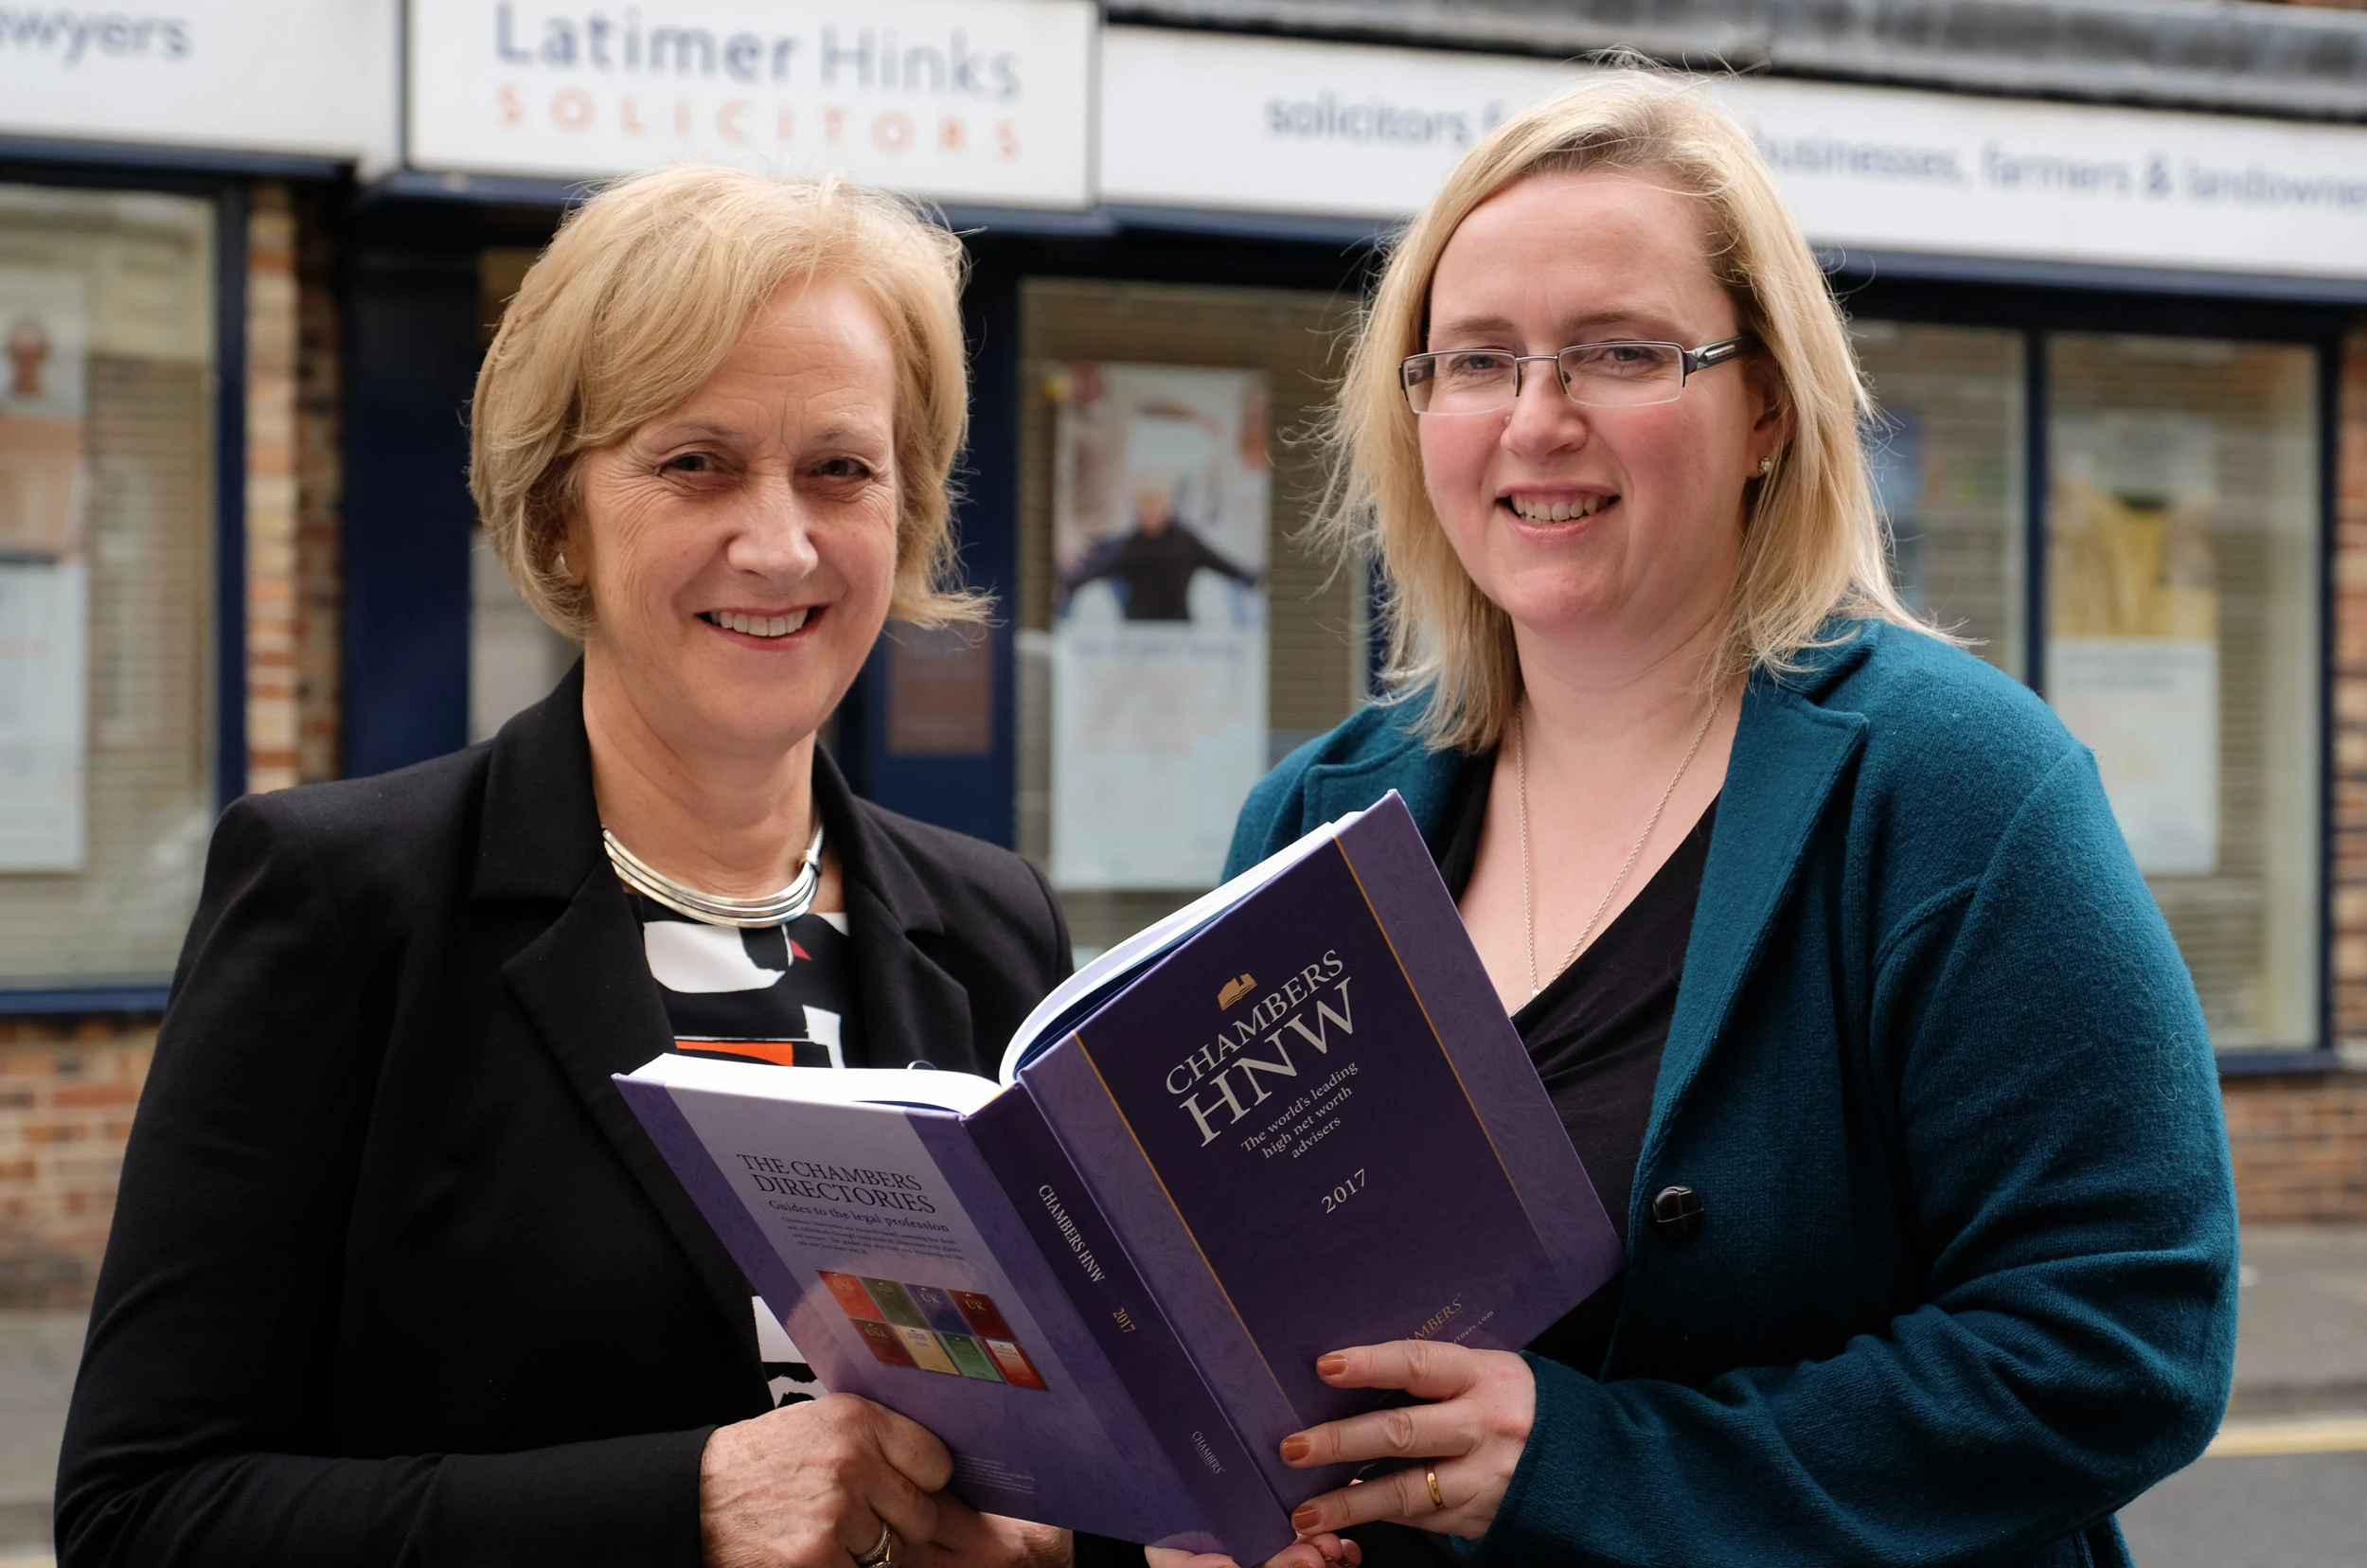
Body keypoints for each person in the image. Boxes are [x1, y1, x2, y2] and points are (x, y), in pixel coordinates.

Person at [1204, 72, 2238, 1568]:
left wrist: (1586, 1465)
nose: (1537, 421)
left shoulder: (1957, 788)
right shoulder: (1315, 817)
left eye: (1619, 353)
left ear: (1764, 407)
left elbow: (2122, 1338)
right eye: (1477, 361)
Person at [54, 167, 1151, 1568]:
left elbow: (1090, 1457)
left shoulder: (990, 924)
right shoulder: (346, 906)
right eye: (695, 462)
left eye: (841, 468)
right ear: (561, 509)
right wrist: (683, 1505)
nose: (780, 541)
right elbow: (146, 1517)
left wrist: (1067, 1545)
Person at [1059, 484, 1261, 622]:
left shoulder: (1184, 542)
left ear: (1165, 507)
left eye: (1153, 506)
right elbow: (1098, 568)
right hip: (1138, 631)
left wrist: (1252, 579)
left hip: (1177, 630)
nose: (1148, 513)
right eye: (1144, 507)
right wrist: (1067, 585)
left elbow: (1219, 563)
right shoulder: (1129, 545)